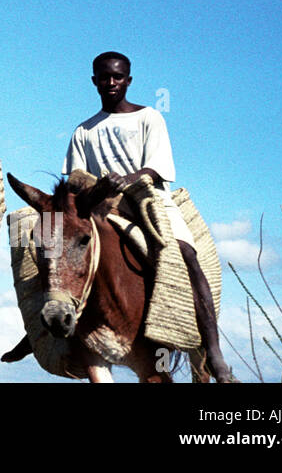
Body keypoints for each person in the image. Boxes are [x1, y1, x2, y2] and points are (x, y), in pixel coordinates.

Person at [62, 51, 235, 382]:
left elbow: (157, 167)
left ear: (128, 80)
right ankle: (55, 335)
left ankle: (212, 350)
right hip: (103, 206)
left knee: (186, 254)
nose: (110, 83)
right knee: (54, 251)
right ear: (94, 80)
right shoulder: (83, 131)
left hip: (149, 199)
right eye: (104, 77)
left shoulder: (149, 117)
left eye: (117, 77)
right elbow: (74, 181)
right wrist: (100, 189)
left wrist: (129, 178)